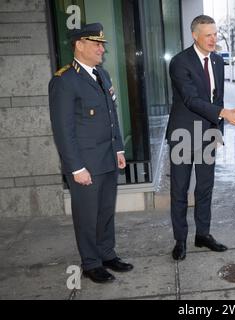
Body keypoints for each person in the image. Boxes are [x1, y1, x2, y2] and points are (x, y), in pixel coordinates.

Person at [49, 23, 133, 284]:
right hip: (85, 164)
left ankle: (107, 254)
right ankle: (91, 263)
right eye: (96, 43)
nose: (101, 48)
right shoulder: (65, 81)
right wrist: (76, 168)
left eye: (102, 44)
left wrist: (118, 148)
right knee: (87, 216)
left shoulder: (102, 74)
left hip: (107, 158)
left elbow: (112, 117)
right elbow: (63, 130)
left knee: (106, 211)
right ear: (79, 45)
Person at [166, 15, 235, 261]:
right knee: (179, 190)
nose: (213, 39)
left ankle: (203, 234)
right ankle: (180, 240)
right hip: (183, 135)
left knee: (205, 188)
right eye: (208, 34)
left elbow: (216, 97)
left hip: (208, 134)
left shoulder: (219, 61)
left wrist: (217, 129)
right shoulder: (180, 62)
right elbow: (191, 99)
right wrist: (223, 114)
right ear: (195, 35)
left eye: (215, 33)